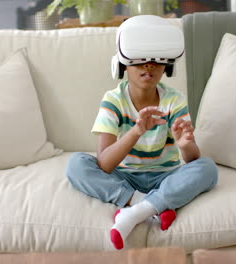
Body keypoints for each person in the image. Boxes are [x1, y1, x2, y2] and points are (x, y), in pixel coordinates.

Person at [66, 15, 218, 250]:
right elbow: (104, 163)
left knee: (207, 168)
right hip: (125, 175)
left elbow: (192, 161)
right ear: (122, 64)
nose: (149, 66)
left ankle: (135, 212)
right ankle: (148, 206)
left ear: (167, 65)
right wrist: (136, 131)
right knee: (76, 164)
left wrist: (185, 144)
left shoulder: (174, 100)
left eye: (157, 60)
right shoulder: (113, 101)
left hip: (165, 175)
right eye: (139, 59)